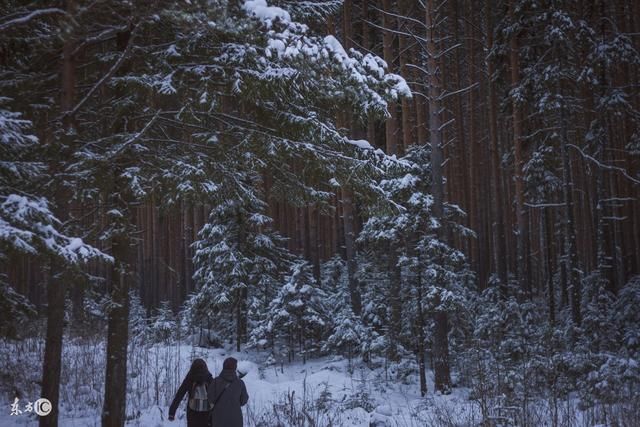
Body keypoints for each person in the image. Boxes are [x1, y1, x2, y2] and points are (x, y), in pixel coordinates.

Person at [168, 358, 213, 426]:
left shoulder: (190, 378)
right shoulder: (209, 378)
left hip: (192, 413)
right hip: (206, 412)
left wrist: (172, 412)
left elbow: (180, 394)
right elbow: (215, 395)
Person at [208, 357, 249, 427]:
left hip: (218, 420)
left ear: (224, 367)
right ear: (235, 368)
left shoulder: (215, 381)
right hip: (236, 420)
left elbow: (210, 399)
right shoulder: (240, 383)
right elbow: (244, 400)